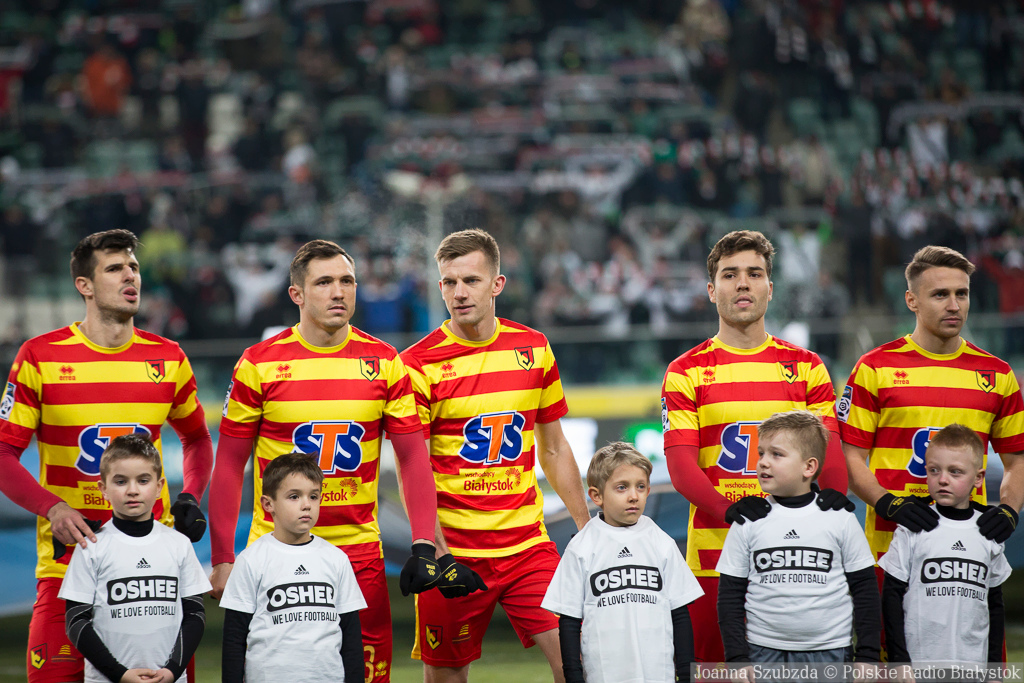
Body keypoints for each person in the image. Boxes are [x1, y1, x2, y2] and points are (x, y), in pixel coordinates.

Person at [209, 239, 452, 683]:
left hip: (360, 554)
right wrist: (224, 556)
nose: (338, 292)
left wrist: (422, 542)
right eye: (324, 282)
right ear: (296, 294)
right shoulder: (258, 364)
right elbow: (228, 464)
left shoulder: (385, 363)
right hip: (277, 554)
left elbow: (413, 458)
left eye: (347, 281)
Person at [0, 229, 213, 683]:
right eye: (115, 269)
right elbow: (2, 452)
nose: (130, 276)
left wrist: (190, 496)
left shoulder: (168, 357)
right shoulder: (40, 357)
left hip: (154, 573)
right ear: (85, 285)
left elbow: (197, 439)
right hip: (66, 566)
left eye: (133, 267)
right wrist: (53, 508)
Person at [401, 229, 590, 683]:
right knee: (447, 676)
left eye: (471, 280)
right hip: (455, 552)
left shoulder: (534, 348)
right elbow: (414, 468)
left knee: (580, 661)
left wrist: (587, 530)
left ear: (497, 284)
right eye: (449, 282)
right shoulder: (416, 364)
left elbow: (553, 447)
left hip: (528, 548)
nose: (459, 293)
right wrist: (436, 551)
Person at [661, 229, 852, 662]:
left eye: (754, 273)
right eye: (730, 275)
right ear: (712, 291)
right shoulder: (685, 371)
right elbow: (681, 467)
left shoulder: (807, 367)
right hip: (714, 558)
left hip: (797, 559)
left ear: (770, 287)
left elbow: (830, 458)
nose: (743, 283)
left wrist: (828, 511)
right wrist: (729, 511)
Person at [840, 245, 1024, 569]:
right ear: (911, 300)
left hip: (967, 555)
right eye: (940, 295)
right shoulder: (874, 368)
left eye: (961, 294)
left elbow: (1016, 461)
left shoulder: (998, 374)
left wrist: (1009, 510)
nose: (954, 305)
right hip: (888, 552)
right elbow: (849, 457)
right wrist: (888, 504)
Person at [716, 411, 880, 665]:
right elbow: (729, 596)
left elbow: (865, 590)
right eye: (761, 453)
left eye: (776, 454)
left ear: (809, 467)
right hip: (763, 651)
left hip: (831, 651)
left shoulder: (840, 518)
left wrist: (868, 655)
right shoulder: (748, 520)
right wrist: (737, 658)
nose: (763, 462)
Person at [542, 442, 703, 683]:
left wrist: (686, 672)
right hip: (604, 674)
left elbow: (679, 613)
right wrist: (573, 675)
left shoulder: (661, 542)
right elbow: (569, 622)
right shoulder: (581, 546)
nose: (633, 496)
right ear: (596, 496)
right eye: (622, 487)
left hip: (658, 674)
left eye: (641, 486)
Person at [58, 434, 211, 683]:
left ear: (159, 487)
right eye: (120, 481)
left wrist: (172, 671)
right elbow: (76, 621)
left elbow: (195, 615)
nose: (132, 490)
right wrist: (120, 674)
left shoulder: (178, 544)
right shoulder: (91, 546)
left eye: (143, 480)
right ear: (103, 489)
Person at [220, 453, 366, 683]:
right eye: (294, 496)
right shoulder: (251, 559)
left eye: (313, 496)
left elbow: (352, 639)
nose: (306, 505)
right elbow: (233, 638)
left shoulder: (336, 559)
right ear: (268, 504)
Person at [879, 424, 1010, 667]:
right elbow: (891, 598)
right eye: (934, 470)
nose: (942, 479)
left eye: (955, 472)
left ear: (978, 478)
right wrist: (899, 661)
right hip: (919, 666)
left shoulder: (988, 531)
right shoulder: (912, 529)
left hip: (973, 667)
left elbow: (995, 605)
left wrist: (994, 669)